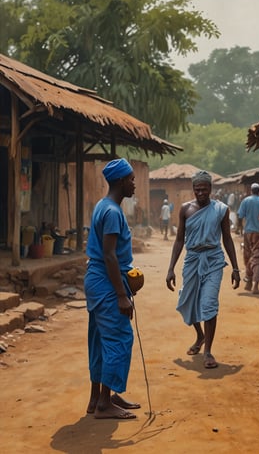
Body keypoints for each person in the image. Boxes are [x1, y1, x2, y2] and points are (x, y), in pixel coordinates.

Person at [166, 170, 241, 369]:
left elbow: (227, 238)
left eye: (204, 189)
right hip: (192, 260)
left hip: (214, 260)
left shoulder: (221, 209)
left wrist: (235, 268)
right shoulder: (185, 209)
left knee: (208, 304)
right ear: (193, 189)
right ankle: (199, 335)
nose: (200, 193)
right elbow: (179, 239)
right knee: (188, 301)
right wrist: (170, 268)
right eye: (197, 189)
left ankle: (208, 350)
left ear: (210, 189)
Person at [84, 158, 141, 420]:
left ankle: (98, 396)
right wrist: (121, 295)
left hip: (97, 281)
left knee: (98, 339)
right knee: (118, 338)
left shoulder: (103, 206)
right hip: (106, 283)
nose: (134, 184)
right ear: (119, 181)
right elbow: (109, 255)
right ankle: (105, 405)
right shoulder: (112, 212)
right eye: (130, 179)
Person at [237, 183, 259, 294]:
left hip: (247, 232)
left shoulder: (246, 201)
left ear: (251, 190)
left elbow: (240, 216)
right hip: (258, 233)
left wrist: (240, 228)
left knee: (248, 255)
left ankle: (249, 280)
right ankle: (255, 285)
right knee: (257, 257)